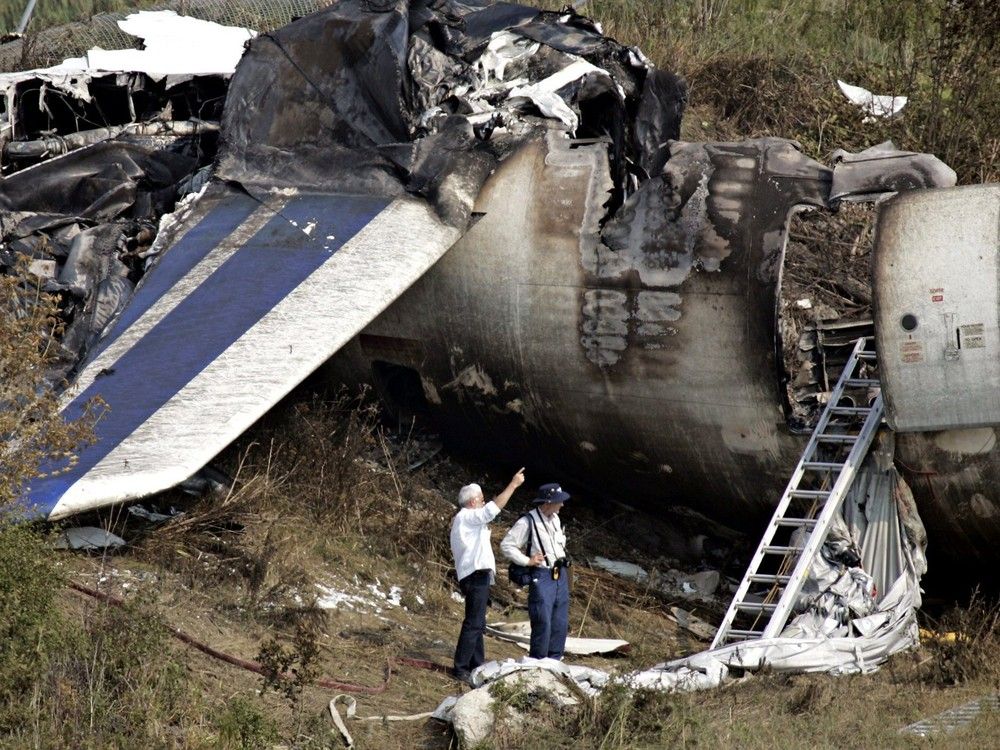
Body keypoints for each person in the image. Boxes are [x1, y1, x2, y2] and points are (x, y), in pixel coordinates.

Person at [450, 468, 526, 685]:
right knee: (473, 622)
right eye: (482, 500)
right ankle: (461, 667)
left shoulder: (467, 521)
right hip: (475, 574)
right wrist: (513, 485)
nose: (484, 503)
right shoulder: (467, 517)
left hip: (476, 575)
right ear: (473, 502)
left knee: (478, 622)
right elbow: (493, 510)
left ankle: (477, 664)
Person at [501, 482, 571, 660]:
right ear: (547, 502)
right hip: (542, 574)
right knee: (543, 620)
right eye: (558, 501)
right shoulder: (528, 521)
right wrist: (527, 561)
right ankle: (538, 659)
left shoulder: (556, 519)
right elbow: (507, 546)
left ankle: (555, 658)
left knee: (560, 621)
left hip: (559, 574)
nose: (562, 505)